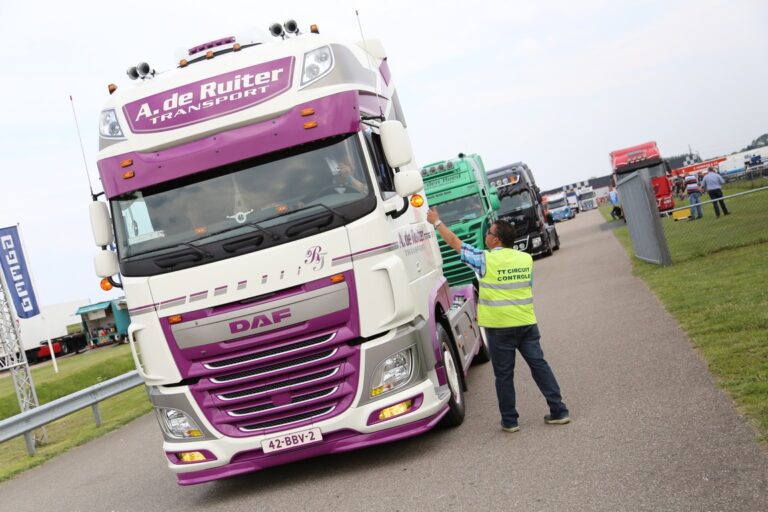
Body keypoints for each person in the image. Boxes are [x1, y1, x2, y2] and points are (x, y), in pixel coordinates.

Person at [426, 207, 570, 433]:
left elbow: (456, 243)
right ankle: (559, 410)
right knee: (540, 366)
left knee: (503, 375)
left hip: (500, 328)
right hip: (526, 323)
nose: (486, 236)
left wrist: (436, 222)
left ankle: (510, 421)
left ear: (496, 240)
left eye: (489, 234)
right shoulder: (525, 259)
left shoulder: (485, 260)